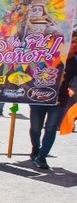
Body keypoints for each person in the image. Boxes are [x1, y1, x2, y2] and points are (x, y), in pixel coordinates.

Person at [29, 32, 77, 169]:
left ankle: (42, 156)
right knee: (35, 128)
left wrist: (72, 91)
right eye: (72, 41)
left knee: (50, 129)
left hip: (59, 100)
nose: (74, 45)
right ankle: (35, 148)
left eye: (76, 43)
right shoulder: (50, 55)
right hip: (39, 96)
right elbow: (32, 71)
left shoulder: (75, 63)